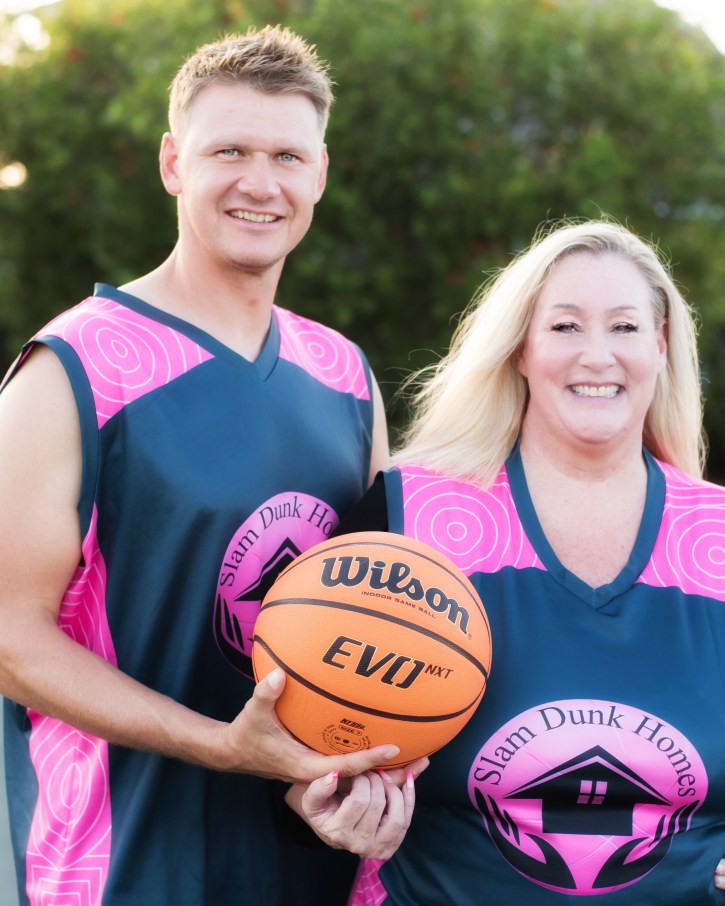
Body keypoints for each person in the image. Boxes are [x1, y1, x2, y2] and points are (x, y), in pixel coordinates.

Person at [0, 25, 423, 906]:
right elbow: (9, 638)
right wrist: (223, 746)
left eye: (287, 156)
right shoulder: (75, 367)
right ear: (173, 163)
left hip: (317, 863)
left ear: (320, 174)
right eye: (228, 150)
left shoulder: (343, 374)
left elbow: (380, 610)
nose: (260, 183)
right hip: (126, 864)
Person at [337, 219, 725, 904]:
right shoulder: (409, 519)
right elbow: (301, 759)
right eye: (565, 327)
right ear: (521, 350)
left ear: (660, 347)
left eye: (624, 327)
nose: (597, 355)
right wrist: (322, 807)